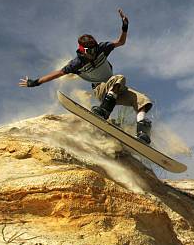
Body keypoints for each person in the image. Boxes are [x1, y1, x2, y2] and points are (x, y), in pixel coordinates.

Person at [19, 9, 153, 144]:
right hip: (101, 90)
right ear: (83, 51)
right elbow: (57, 73)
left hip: (116, 89)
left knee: (143, 100)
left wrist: (125, 26)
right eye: (90, 51)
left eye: (95, 49)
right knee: (119, 78)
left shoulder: (103, 48)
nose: (94, 53)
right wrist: (35, 82)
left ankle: (141, 134)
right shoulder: (76, 64)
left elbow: (120, 42)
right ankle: (104, 111)